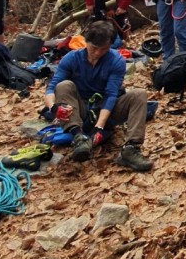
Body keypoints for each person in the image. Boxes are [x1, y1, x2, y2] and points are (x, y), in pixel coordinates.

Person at [42, 19, 153, 170]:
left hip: (105, 110)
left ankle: (131, 149)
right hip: (79, 110)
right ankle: (78, 137)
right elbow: (51, 88)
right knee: (64, 85)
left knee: (139, 94)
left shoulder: (116, 60)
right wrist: (53, 108)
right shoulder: (71, 58)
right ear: (86, 41)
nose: (98, 53)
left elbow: (111, 94)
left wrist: (99, 127)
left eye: (104, 49)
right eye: (94, 48)